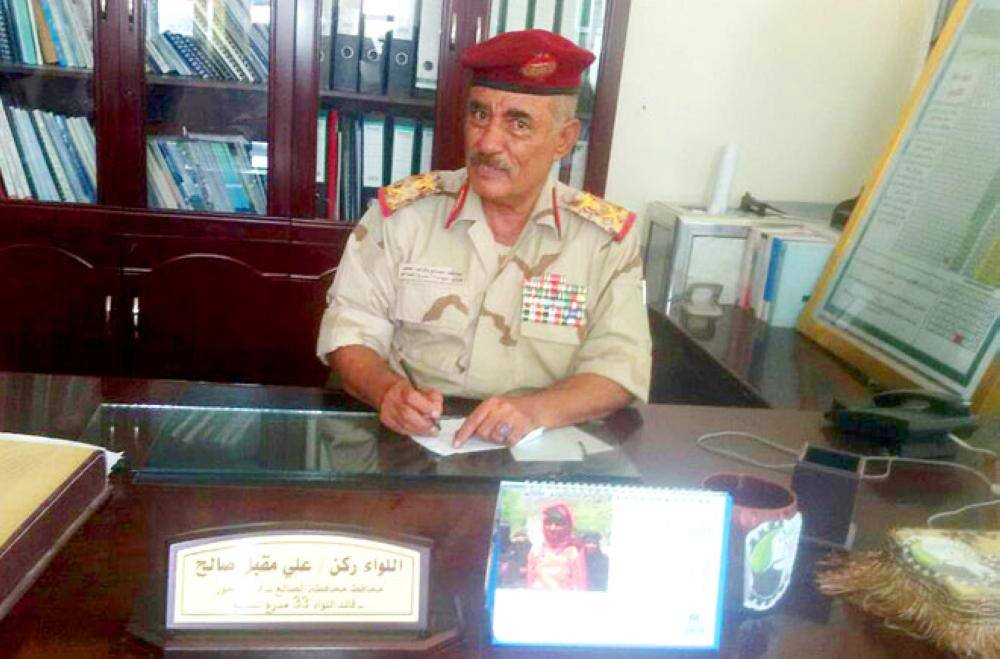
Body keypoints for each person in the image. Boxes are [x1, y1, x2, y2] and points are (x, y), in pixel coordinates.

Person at [316, 29, 652, 446]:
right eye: (479, 114)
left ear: (564, 139)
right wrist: (387, 392)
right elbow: (349, 330)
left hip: (542, 440)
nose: (488, 142)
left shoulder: (603, 240)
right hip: (413, 437)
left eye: (518, 123)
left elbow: (619, 368)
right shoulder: (404, 217)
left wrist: (534, 411)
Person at [525, 503, 587, 590]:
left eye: (558, 524)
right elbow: (530, 583)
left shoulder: (573, 552)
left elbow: (580, 587)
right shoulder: (536, 550)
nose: (552, 528)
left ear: (567, 526)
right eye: (548, 523)